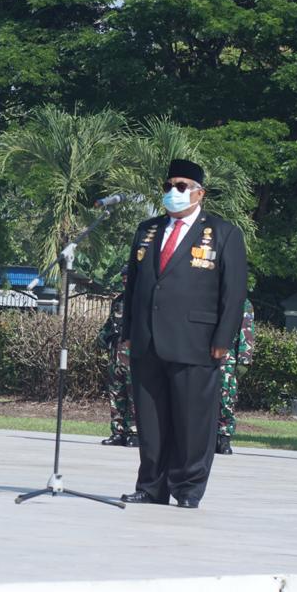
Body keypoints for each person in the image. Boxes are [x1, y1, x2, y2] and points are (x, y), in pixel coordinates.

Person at [120, 159, 247, 509]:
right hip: (147, 340)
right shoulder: (148, 229)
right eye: (168, 186)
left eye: (181, 186)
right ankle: (151, 487)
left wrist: (223, 339)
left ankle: (188, 488)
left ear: (199, 193)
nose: (173, 192)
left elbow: (234, 292)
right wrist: (128, 331)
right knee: (151, 421)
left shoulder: (223, 233)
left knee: (192, 421)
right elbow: (134, 287)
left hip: (196, 342)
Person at [98, 265, 137, 447]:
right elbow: (109, 324)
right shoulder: (118, 301)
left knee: (134, 396)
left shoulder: (142, 300)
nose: (124, 280)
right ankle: (118, 432)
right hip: (116, 357)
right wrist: (103, 336)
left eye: (127, 277)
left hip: (134, 358)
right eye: (123, 278)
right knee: (116, 396)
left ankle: (134, 433)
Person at [216, 297, 255, 455]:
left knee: (226, 399)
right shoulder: (203, 294)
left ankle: (224, 437)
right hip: (201, 356)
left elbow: (246, 330)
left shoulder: (241, 301)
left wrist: (244, 360)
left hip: (227, 357)